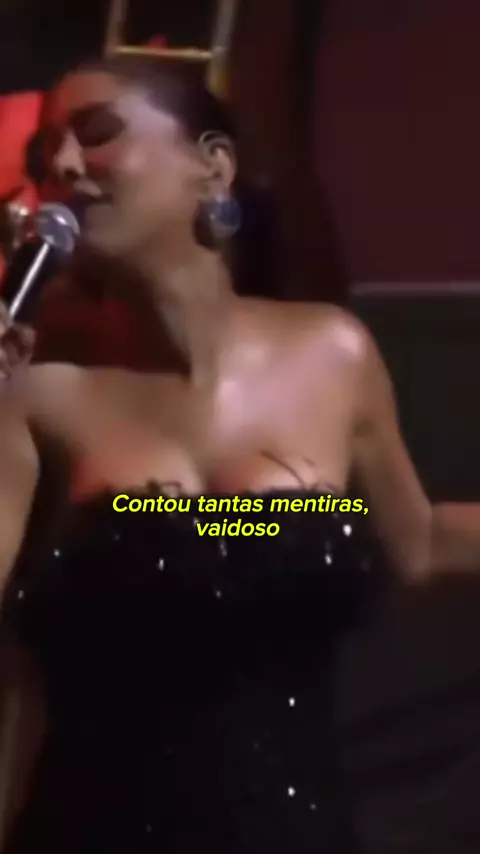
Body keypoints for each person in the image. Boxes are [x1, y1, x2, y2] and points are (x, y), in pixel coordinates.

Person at [0, 55, 480, 854]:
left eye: (97, 132)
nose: (65, 167)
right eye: (45, 155)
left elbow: (419, 541)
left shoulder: (332, 355)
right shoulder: (40, 396)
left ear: (212, 166)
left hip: (290, 828)